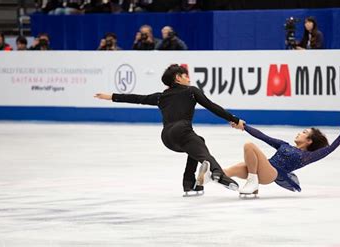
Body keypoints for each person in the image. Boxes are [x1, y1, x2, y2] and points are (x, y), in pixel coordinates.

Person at [94, 64, 245, 196]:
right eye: (186, 76)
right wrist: (235, 120)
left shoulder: (161, 97)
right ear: (178, 78)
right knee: (200, 149)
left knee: (198, 143)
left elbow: (137, 98)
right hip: (182, 130)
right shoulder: (191, 91)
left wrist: (111, 96)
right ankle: (218, 172)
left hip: (167, 137)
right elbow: (212, 106)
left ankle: (188, 183)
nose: (189, 79)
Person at [206, 123, 340, 196]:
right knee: (235, 168)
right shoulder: (284, 145)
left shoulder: (307, 157)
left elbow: (329, 149)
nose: (299, 133)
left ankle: (253, 183)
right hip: (263, 168)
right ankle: (207, 177)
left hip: (271, 174)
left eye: (304, 132)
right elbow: (263, 136)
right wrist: (244, 126)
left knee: (249, 146)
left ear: (309, 141)